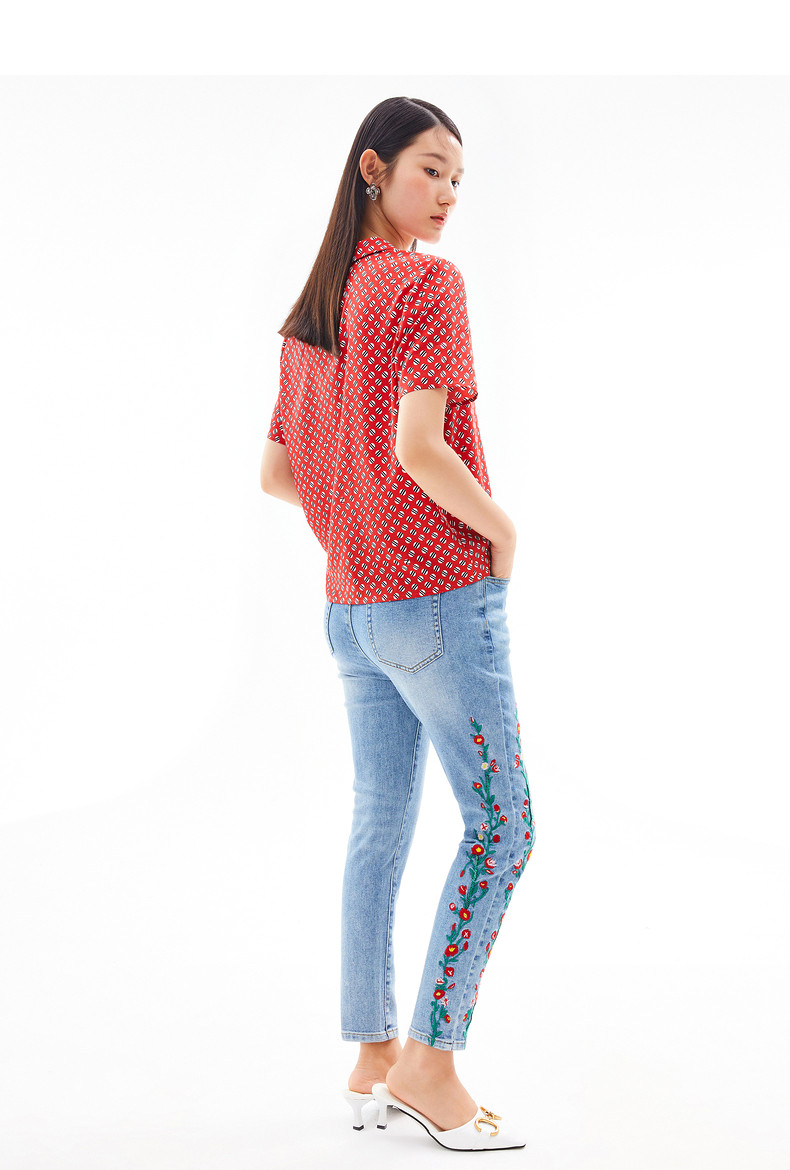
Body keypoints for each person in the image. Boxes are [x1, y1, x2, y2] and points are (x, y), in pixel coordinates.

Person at [259, 96, 536, 1152]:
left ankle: (373, 1053)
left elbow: (279, 473)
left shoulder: (314, 312)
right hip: (436, 602)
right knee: (504, 826)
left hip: (352, 613)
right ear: (372, 169)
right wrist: (501, 529)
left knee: (381, 820)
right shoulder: (425, 284)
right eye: (431, 169)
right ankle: (430, 1064)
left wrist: (354, 526)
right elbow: (421, 447)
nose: (449, 194)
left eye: (459, 178)